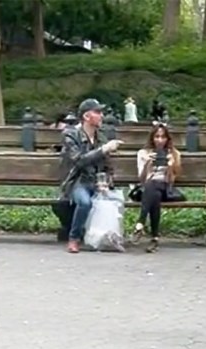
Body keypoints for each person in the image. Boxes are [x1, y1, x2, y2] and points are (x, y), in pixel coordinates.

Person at [58, 98, 123, 253]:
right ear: (87, 116)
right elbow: (79, 161)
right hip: (77, 181)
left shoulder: (101, 137)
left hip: (96, 181)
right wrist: (104, 149)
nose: (102, 116)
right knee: (85, 202)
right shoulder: (70, 135)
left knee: (114, 201)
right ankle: (74, 238)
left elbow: (107, 165)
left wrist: (106, 181)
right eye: (98, 112)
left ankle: (107, 238)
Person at [131, 124, 182, 253]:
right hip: (149, 189)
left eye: (163, 137)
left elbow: (171, 181)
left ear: (167, 139)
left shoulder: (174, 153)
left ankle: (140, 223)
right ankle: (154, 238)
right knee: (153, 192)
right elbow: (142, 180)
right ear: (152, 138)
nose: (160, 140)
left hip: (166, 188)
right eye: (157, 137)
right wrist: (148, 163)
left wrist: (170, 166)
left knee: (154, 188)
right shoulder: (143, 153)